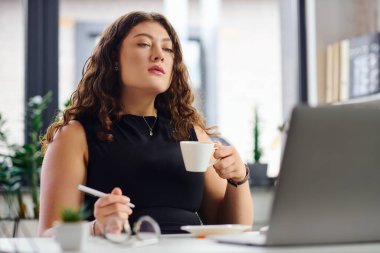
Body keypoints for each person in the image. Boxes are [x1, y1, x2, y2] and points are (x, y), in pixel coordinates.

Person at [38, 11, 253, 237]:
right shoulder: (75, 135)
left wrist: (239, 178)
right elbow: (48, 234)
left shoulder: (192, 133)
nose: (159, 55)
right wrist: (96, 227)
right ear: (113, 58)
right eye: (143, 44)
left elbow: (232, 229)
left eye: (168, 49)